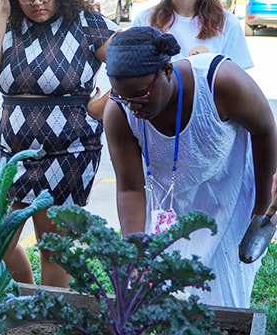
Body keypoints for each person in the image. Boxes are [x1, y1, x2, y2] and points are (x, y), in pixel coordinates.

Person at [0, 0, 119, 288]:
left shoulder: (87, 25)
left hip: (70, 155)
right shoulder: (8, 27)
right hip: (12, 154)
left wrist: (103, 103)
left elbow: (137, 65)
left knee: (54, 249)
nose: (37, 1)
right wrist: (2, 15)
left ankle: (48, 316)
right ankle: (26, 295)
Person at [103, 26, 277, 308]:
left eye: (140, 96)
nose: (133, 107)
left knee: (222, 298)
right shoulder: (119, 111)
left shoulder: (221, 82)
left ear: (167, 71)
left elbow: (266, 131)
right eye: (123, 97)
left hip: (229, 196)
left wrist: (261, 214)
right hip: (169, 205)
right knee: (160, 296)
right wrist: (133, 255)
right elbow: (130, 187)